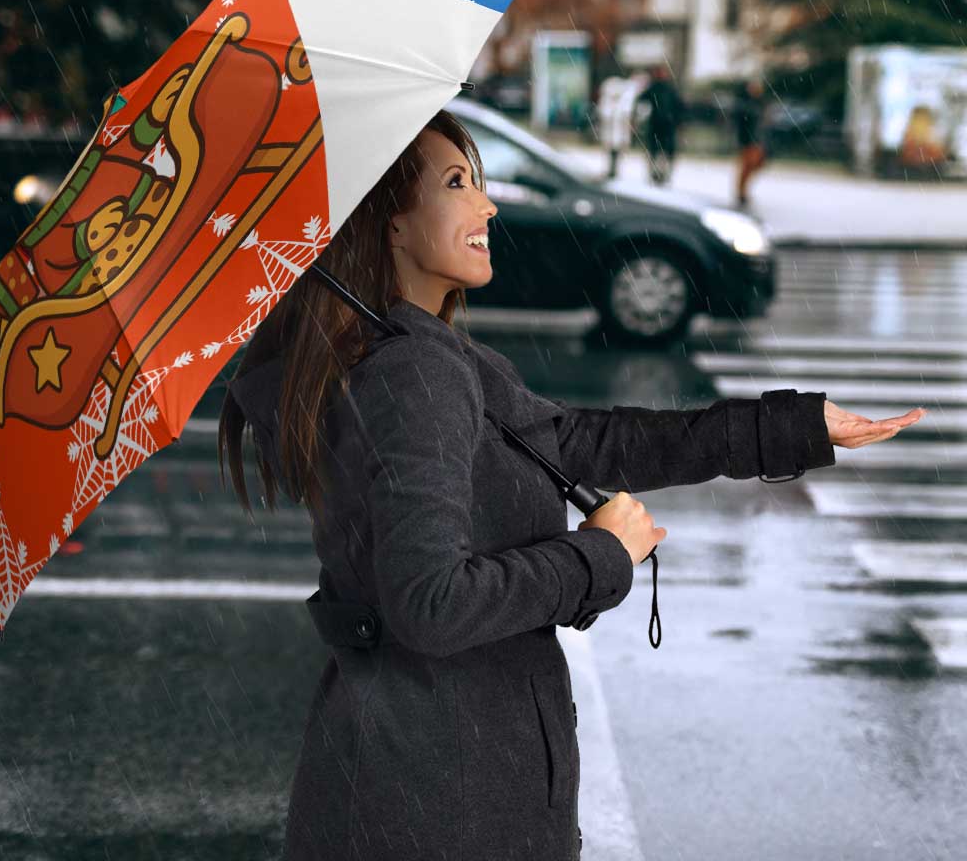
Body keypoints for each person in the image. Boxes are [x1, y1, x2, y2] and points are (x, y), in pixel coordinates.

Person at [219, 108, 921, 861]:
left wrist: (792, 428)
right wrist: (598, 556)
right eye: (457, 183)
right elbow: (430, 604)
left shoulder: (418, 354)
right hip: (441, 799)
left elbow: (582, 442)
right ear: (388, 223)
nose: (487, 205)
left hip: (421, 779)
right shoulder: (412, 373)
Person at [635, 63, 685, 186]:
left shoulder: (668, 89)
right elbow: (641, 101)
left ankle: (662, 174)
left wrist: (678, 121)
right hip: (658, 125)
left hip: (666, 125)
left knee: (663, 152)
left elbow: (679, 107)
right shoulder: (655, 88)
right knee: (656, 151)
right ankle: (656, 174)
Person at [733, 76, 769, 207]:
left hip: (757, 140)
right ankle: (741, 192)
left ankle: (742, 191)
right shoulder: (745, 104)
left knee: (755, 165)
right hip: (748, 140)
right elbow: (742, 123)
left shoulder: (760, 103)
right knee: (747, 166)